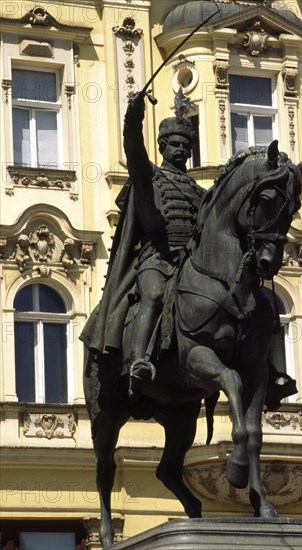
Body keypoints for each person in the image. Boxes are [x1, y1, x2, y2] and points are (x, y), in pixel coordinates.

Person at [80, 89, 205, 398]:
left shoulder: (199, 192)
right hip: (156, 258)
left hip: (190, 264)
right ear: (162, 147)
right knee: (152, 296)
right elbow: (134, 149)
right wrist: (133, 116)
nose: (180, 149)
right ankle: (140, 361)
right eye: (174, 144)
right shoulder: (149, 177)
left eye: (185, 145)